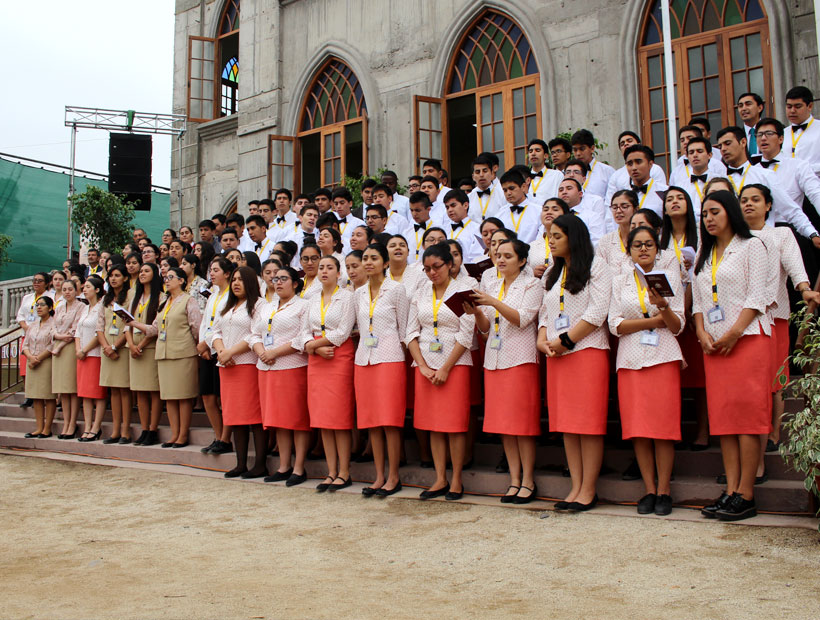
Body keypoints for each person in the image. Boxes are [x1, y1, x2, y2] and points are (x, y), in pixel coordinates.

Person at [693, 190, 771, 521]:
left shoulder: (752, 245)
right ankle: (731, 490)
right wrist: (700, 332)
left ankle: (746, 493)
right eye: (705, 214)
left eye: (715, 212)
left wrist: (735, 332)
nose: (709, 218)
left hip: (747, 339)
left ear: (730, 213)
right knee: (724, 420)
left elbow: (758, 295)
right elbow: (698, 301)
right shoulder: (705, 253)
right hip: (714, 344)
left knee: (747, 420)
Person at [537, 214, 612, 511]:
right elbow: (545, 312)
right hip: (557, 354)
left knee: (588, 423)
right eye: (549, 236)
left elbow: (598, 311)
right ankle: (575, 486)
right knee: (568, 424)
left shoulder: (597, 266)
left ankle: (588, 489)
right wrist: (543, 338)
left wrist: (567, 340)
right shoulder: (552, 273)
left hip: (587, 351)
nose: (551, 241)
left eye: (557, 236)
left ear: (574, 237)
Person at [738, 184, 820, 454]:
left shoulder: (781, 234)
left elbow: (796, 266)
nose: (749, 204)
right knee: (750, 382)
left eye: (755, 200)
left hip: (775, 316)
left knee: (775, 379)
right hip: (742, 322)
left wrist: (805, 289)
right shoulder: (734, 239)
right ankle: (750, 434)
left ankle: (774, 433)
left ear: (768, 205)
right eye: (744, 200)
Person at [609, 226, 685, 516]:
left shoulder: (670, 277)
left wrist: (663, 307)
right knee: (638, 429)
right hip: (629, 359)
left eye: (649, 244)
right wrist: (654, 322)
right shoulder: (619, 281)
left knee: (663, 428)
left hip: (663, 356)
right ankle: (649, 488)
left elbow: (677, 325)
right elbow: (615, 325)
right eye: (637, 245)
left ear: (657, 249)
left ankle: (664, 490)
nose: (643, 249)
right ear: (629, 251)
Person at [466, 238, 543, 503]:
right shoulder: (492, 284)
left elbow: (523, 319)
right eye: (497, 255)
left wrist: (493, 302)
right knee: (505, 425)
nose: (500, 260)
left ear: (522, 261)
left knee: (522, 424)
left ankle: (528, 479)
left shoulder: (532, 284)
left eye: (507, 256)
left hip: (520, 358)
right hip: (495, 358)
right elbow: (486, 330)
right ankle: (514, 478)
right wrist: (476, 311)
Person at [406, 243, 476, 500]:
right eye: (427, 269)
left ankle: (456, 479)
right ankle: (439, 478)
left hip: (455, 363)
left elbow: (466, 332)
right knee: (433, 425)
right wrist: (422, 366)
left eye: (437, 267)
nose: (432, 273)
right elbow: (411, 332)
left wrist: (446, 367)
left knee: (454, 425)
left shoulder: (463, 290)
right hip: (425, 363)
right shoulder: (421, 291)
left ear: (450, 265)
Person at [355, 243, 409, 497]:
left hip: (390, 358)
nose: (368, 262)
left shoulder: (397, 290)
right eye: (365, 258)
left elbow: (405, 329)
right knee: (371, 421)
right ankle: (378, 476)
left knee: (389, 420)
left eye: (374, 258)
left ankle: (394, 476)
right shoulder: (358, 293)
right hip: (364, 359)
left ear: (385, 263)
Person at [299, 256, 357, 492]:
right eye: (321, 267)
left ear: (338, 272)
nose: (324, 271)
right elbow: (302, 331)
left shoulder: (347, 297)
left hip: (338, 356)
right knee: (323, 417)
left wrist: (314, 345)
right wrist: (311, 346)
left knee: (339, 417)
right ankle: (331, 471)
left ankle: (344, 471)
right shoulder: (311, 299)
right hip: (317, 358)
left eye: (329, 267)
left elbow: (344, 331)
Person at [249, 266, 310, 487]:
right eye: (275, 279)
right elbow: (254, 333)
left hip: (292, 367)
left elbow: (303, 337)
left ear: (295, 283)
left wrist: (274, 352)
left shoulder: (303, 305)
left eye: (284, 279)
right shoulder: (266, 307)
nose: (278, 282)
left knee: (297, 419)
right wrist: (261, 351)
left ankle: (299, 467)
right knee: (279, 420)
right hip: (266, 367)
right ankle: (284, 466)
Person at [211, 266, 266, 478]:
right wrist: (221, 351)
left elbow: (255, 333)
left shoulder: (259, 305)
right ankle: (240, 463)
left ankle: (260, 464)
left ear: (251, 282)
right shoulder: (228, 305)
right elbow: (215, 331)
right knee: (234, 417)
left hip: (247, 365)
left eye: (241, 280)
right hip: (227, 366)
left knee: (253, 416)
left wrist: (230, 352)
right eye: (233, 279)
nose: (235, 283)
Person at [197, 256, 234, 455]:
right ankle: (218, 435)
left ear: (227, 274)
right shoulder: (212, 295)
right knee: (207, 396)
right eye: (211, 270)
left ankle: (226, 437)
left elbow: (221, 324)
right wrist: (202, 344)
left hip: (222, 349)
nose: (212, 274)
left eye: (216, 270)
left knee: (224, 397)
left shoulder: (232, 296)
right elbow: (206, 322)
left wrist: (207, 342)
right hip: (207, 351)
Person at [125, 262, 163, 446]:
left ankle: (153, 429)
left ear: (155, 274)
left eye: (146, 271)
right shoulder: (134, 296)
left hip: (150, 346)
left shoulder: (161, 297)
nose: (142, 274)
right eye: (141, 271)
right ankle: (144, 428)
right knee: (139, 390)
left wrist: (141, 344)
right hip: (134, 347)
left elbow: (157, 327)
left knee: (153, 391)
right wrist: (131, 344)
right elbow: (126, 323)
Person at [96, 265, 132, 444]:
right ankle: (116, 429)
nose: (113, 279)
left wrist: (115, 347)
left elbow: (130, 325)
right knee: (113, 390)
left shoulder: (130, 296)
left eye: (117, 275)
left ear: (125, 278)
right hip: (107, 348)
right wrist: (106, 347)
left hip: (122, 348)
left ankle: (126, 430)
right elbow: (100, 326)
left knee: (124, 390)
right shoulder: (105, 299)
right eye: (111, 276)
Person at [51, 279, 84, 439]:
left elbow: (75, 330)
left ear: (76, 290)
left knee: (72, 388)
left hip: (70, 348)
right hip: (58, 345)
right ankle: (65, 422)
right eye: (64, 289)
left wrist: (61, 340)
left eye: (70, 289)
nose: (67, 292)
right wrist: (57, 337)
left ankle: (73, 423)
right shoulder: (58, 307)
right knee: (63, 389)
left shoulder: (81, 307)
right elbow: (52, 327)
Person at [76, 277, 108, 442]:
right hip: (82, 356)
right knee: (85, 394)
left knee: (97, 393)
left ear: (97, 289)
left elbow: (99, 331)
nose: (84, 289)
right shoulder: (85, 308)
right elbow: (77, 332)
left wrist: (85, 349)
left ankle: (96, 427)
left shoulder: (102, 307)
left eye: (88, 286)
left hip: (95, 354)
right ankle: (87, 426)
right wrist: (79, 350)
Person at [22, 296, 57, 437]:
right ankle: (39, 427)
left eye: (42, 305)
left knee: (48, 396)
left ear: (50, 307)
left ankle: (47, 428)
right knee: (36, 396)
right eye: (37, 305)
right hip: (32, 363)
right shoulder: (33, 325)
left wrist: (39, 358)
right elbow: (25, 345)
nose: (39, 307)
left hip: (46, 362)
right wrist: (31, 357)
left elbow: (53, 344)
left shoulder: (53, 324)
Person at [595, 189, 638, 272]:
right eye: (614, 207)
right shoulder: (605, 241)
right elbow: (599, 270)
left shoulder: (644, 238)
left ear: (636, 209)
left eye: (624, 206)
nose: (618, 211)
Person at [529, 198, 570, 279]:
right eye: (545, 209)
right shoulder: (532, 246)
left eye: (555, 209)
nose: (549, 212)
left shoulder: (570, 241)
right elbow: (522, 275)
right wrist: (532, 274)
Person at [783, 86, 820, 173]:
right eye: (789, 107)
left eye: (798, 106)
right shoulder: (783, 133)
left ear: (810, 106)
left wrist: (801, 170)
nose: (792, 111)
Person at [570, 129, 615, 198]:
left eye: (582, 149)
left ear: (592, 148)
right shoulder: (569, 173)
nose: (578, 153)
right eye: (575, 150)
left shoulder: (607, 171)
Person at [527, 138, 564, 205]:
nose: (533, 153)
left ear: (546, 155)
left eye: (537, 150)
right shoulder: (524, 177)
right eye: (530, 151)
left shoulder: (557, 175)